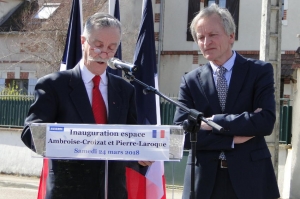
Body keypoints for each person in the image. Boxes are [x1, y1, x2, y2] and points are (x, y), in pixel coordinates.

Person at [21, 12, 152, 199]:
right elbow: (30, 133)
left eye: (112, 47)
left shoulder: (125, 89)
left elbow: (128, 138)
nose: (105, 53)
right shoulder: (53, 85)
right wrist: (68, 140)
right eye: (98, 46)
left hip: (112, 191)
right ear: (83, 41)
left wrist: (141, 153)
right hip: (68, 190)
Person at [173, 4, 280, 199]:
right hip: (203, 182)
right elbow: (182, 134)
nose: (206, 42)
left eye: (213, 34)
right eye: (200, 37)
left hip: (251, 179)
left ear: (231, 36)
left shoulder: (259, 72)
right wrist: (231, 138)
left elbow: (265, 121)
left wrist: (213, 122)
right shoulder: (190, 81)